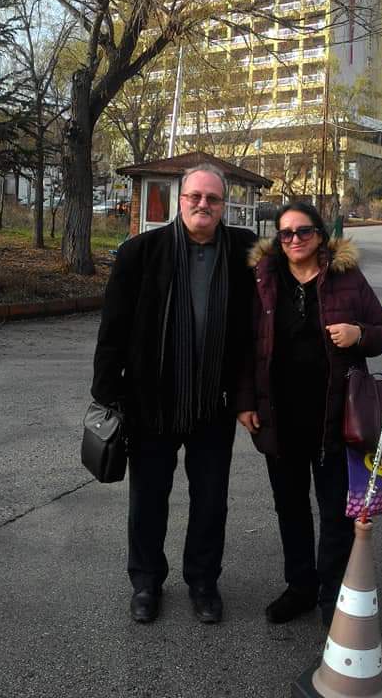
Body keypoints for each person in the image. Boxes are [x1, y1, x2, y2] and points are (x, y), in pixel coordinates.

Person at [92, 164, 256, 625]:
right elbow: (113, 329)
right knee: (148, 499)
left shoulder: (245, 251)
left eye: (213, 199)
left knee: (211, 501)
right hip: (152, 403)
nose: (203, 204)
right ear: (180, 199)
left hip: (213, 402)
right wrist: (107, 395)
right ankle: (146, 582)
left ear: (224, 205)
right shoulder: (141, 252)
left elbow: (295, 268)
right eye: (195, 196)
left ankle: (203, 582)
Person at [237, 202, 382, 627]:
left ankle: (332, 594)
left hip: (334, 420)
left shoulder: (346, 277)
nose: (294, 240)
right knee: (290, 509)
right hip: (280, 418)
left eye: (303, 231)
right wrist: (245, 401)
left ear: (320, 234)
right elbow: (247, 345)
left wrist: (359, 334)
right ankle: (300, 588)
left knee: (335, 513)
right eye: (285, 233)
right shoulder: (264, 278)